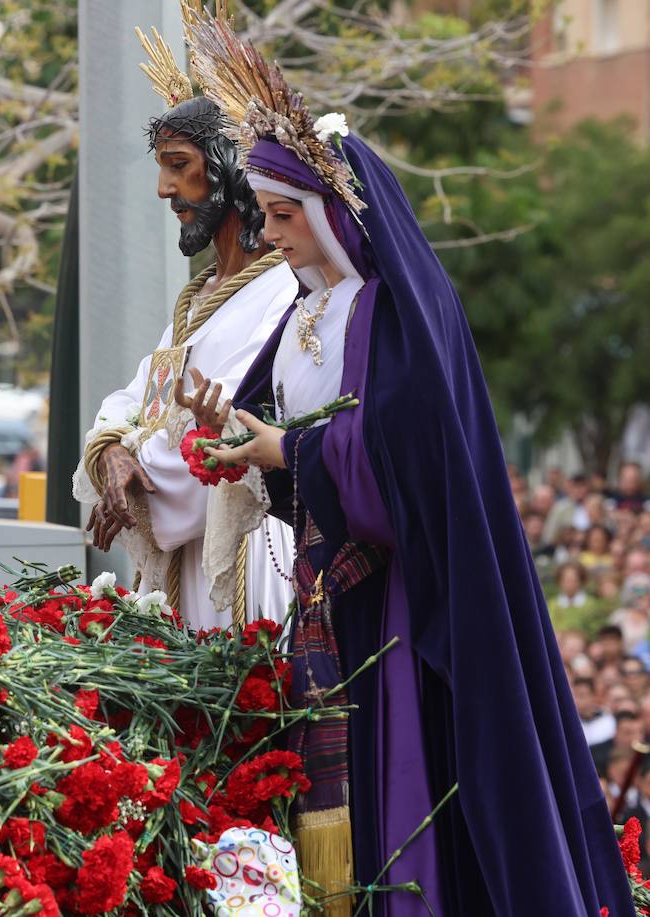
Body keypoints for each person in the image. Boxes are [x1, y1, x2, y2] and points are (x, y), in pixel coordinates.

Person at [179, 6, 630, 914]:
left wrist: (288, 449)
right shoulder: (302, 315)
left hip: (395, 599)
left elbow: (407, 456)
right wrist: (240, 436)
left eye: (282, 217)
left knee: (401, 798)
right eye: (264, 216)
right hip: (324, 591)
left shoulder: (389, 312)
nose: (270, 237)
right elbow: (291, 437)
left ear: (333, 217)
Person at [71, 32, 297, 628]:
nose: (164, 189)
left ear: (226, 169)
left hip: (242, 555)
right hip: (183, 568)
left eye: (180, 167)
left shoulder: (281, 294)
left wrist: (136, 463)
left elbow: (221, 426)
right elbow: (137, 396)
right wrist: (111, 450)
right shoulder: (199, 299)